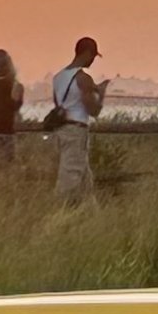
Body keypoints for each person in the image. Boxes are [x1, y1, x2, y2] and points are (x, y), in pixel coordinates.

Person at [50, 36, 105, 201]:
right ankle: (60, 213)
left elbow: (59, 104)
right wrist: (100, 95)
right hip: (76, 131)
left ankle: (90, 215)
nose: (93, 61)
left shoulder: (58, 77)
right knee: (70, 179)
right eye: (93, 56)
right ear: (87, 53)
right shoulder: (83, 78)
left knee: (84, 181)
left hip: (61, 130)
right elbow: (93, 110)